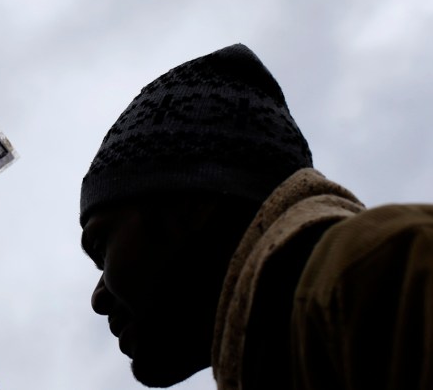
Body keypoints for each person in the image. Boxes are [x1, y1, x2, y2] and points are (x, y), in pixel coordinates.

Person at [79, 44, 433, 389]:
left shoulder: (390, 271)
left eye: (101, 244)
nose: (98, 298)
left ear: (188, 206)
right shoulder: (316, 337)